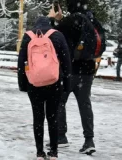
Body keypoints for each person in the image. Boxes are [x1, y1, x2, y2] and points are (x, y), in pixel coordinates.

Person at [47, 0, 97, 154]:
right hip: (88, 71)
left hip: (69, 70)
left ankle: (61, 137)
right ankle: (89, 140)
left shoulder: (67, 23)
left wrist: (54, 20)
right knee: (85, 104)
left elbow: (52, 39)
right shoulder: (92, 20)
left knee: (59, 102)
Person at [18, 16, 71, 160]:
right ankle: (53, 152)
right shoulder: (57, 35)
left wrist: (23, 84)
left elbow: (22, 61)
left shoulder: (28, 36)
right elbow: (66, 61)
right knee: (53, 118)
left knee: (38, 118)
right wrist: (66, 83)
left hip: (34, 84)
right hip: (54, 82)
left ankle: (40, 153)